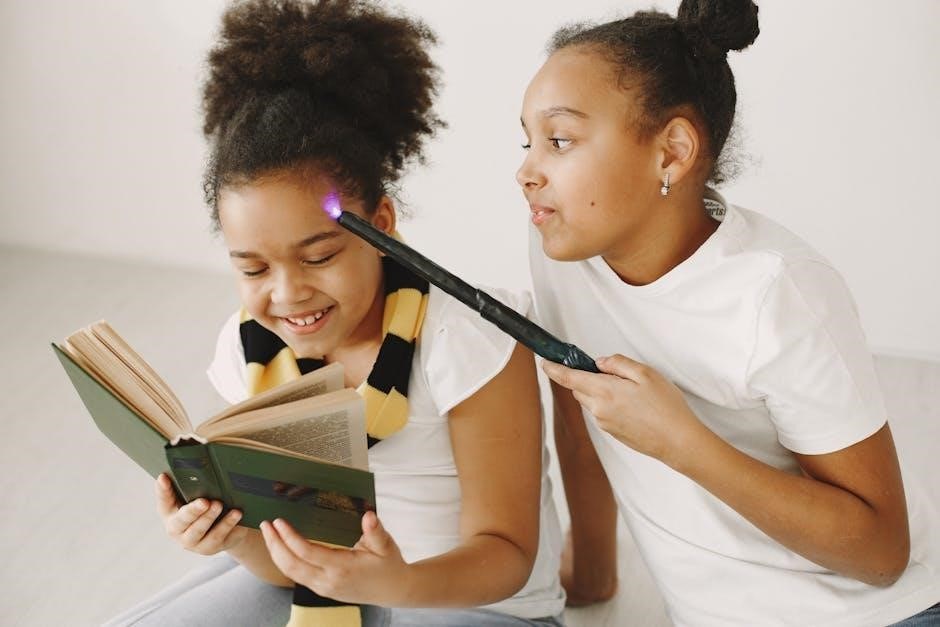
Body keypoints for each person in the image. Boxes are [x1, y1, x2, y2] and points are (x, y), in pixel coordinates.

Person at [105, 0, 565, 625]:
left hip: (472, 603)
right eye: (253, 269)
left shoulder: (466, 338)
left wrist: (397, 582)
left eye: (319, 256)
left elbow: (507, 554)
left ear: (381, 225)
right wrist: (232, 536)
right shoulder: (250, 351)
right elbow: (283, 564)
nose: (288, 293)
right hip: (316, 587)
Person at [517, 0, 940, 625]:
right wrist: (593, 571)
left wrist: (681, 442)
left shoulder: (778, 292)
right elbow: (580, 420)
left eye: (559, 141)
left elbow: (881, 553)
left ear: (671, 152)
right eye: (527, 141)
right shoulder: (561, 250)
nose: (526, 172)